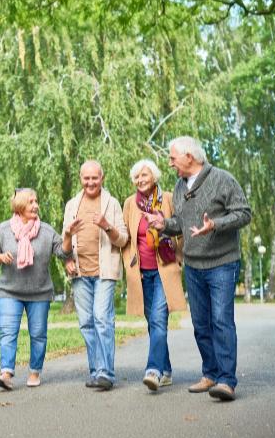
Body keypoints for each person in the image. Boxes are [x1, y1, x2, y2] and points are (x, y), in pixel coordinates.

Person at [145, 136, 251, 401]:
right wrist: (164, 224)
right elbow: (181, 223)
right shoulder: (180, 187)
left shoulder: (223, 179)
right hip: (193, 265)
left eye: (172, 158)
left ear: (189, 157)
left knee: (221, 321)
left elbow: (244, 213)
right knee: (200, 323)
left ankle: (227, 380)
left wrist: (215, 224)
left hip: (222, 263)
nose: (170, 163)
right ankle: (210, 374)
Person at [0, 188, 71, 390]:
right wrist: (0, 257)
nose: (36, 205)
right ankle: (6, 373)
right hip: (9, 291)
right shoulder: (3, 230)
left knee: (38, 333)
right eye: (31, 202)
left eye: (36, 201)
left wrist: (68, 236)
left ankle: (34, 371)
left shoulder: (47, 231)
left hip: (39, 293)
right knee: (8, 332)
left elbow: (63, 251)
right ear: (20, 206)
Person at [122, 159, 189, 392]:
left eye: (145, 175)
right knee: (152, 322)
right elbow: (126, 237)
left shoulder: (168, 199)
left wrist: (177, 255)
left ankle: (153, 370)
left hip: (165, 268)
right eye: (137, 176)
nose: (141, 179)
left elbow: (180, 226)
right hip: (141, 272)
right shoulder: (131, 204)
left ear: (154, 177)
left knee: (159, 319)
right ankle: (167, 369)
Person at [62, 160, 129, 390]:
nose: (90, 182)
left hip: (104, 271)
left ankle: (106, 373)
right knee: (86, 323)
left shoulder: (111, 204)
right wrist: (67, 259)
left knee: (102, 318)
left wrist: (107, 226)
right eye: (86, 178)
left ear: (102, 178)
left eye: (95, 178)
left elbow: (123, 239)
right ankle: (96, 371)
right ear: (81, 178)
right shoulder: (72, 204)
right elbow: (64, 243)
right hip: (80, 272)